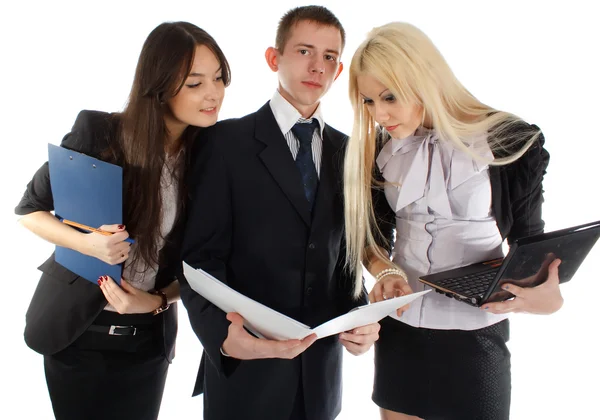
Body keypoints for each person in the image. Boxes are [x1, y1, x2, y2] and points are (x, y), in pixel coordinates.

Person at [343, 22, 564, 420]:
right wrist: (386, 271)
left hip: (476, 337)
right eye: (369, 101)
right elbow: (372, 238)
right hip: (401, 330)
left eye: (389, 96)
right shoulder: (382, 148)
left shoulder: (510, 141)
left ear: (421, 77)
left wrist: (544, 294)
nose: (379, 113)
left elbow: (530, 248)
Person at [14, 21, 230, 420]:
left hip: (147, 340)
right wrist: (89, 244)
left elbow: (207, 263)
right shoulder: (101, 134)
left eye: (218, 78)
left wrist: (157, 301)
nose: (213, 93)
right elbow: (30, 210)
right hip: (78, 334)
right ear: (160, 85)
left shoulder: (210, 157)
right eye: (195, 83)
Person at [180, 6, 380, 420]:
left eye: (329, 57)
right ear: (275, 59)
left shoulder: (351, 152)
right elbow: (199, 259)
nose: (317, 66)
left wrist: (362, 317)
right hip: (246, 374)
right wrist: (222, 337)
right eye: (305, 51)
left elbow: (342, 257)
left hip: (320, 380)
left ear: (339, 70)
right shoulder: (224, 143)